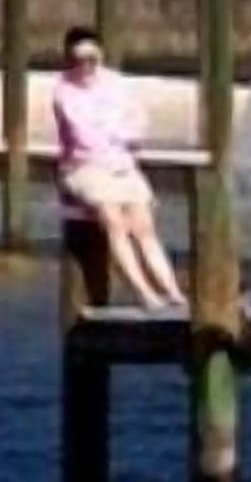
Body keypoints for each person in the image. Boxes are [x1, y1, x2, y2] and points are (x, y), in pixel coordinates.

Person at [50, 27, 186, 313]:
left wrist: (119, 137)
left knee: (144, 224)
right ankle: (144, 293)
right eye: (79, 60)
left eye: (92, 58)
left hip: (122, 163)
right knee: (113, 218)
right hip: (84, 166)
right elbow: (83, 135)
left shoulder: (116, 83)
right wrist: (115, 134)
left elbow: (138, 121)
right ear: (70, 60)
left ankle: (173, 291)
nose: (86, 66)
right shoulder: (64, 92)